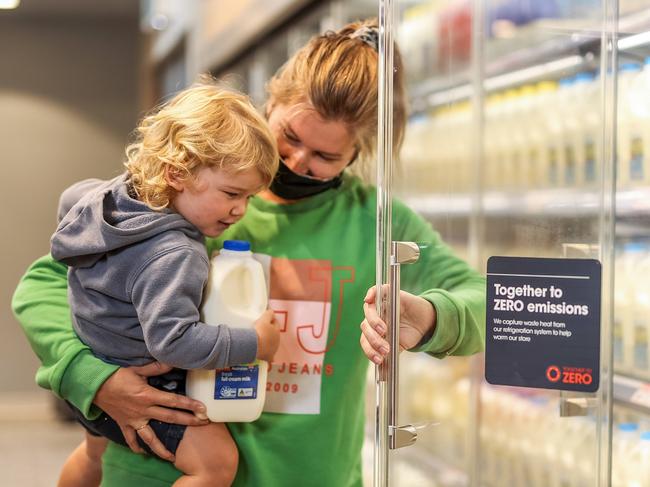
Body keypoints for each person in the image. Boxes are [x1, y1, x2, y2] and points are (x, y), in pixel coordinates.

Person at [12, 19, 486, 487]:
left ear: (358, 154)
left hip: (305, 474)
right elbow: (44, 285)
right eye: (290, 138)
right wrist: (93, 378)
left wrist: (429, 316)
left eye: (325, 157)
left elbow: (483, 300)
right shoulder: (200, 191)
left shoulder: (379, 222)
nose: (297, 162)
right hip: (158, 466)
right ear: (270, 104)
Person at [47, 81, 281, 487]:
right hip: (143, 381)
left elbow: (69, 197)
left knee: (92, 453)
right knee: (216, 465)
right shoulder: (177, 254)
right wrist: (255, 342)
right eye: (231, 193)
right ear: (176, 173)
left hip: (89, 375)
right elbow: (174, 343)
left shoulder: (105, 198)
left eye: (250, 198)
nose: (239, 210)